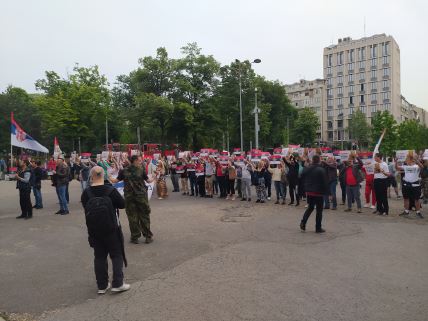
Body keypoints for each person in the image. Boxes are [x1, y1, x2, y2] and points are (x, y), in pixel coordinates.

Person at [81, 166, 130, 294]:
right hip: (112, 228)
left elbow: (85, 207)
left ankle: (102, 285)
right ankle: (118, 283)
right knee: (116, 254)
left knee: (99, 256)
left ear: (91, 177)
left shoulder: (86, 192)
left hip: (94, 230)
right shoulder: (110, 190)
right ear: (103, 176)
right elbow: (122, 204)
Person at [111, 155, 155, 244]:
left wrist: (108, 177)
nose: (141, 161)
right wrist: (154, 176)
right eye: (139, 160)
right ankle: (148, 237)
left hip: (129, 198)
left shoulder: (123, 171)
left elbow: (115, 181)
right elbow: (148, 181)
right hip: (141, 197)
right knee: (144, 216)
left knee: (132, 217)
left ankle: (135, 237)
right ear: (134, 161)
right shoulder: (141, 170)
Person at [299, 155, 328, 233]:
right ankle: (318, 228)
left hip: (309, 191)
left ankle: (303, 222)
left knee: (310, 208)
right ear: (319, 160)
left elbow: (301, 176)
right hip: (318, 193)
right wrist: (328, 193)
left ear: (313, 160)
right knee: (319, 211)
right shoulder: (321, 170)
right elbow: (325, 182)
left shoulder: (308, 168)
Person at [396, 154, 424, 218]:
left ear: (410, 160)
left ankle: (418, 212)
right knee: (406, 198)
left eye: (407, 159)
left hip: (415, 185)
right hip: (406, 184)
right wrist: (396, 161)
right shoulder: (405, 166)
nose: (406, 160)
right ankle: (406, 211)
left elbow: (422, 167)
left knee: (417, 199)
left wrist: (417, 160)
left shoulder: (416, 166)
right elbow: (397, 168)